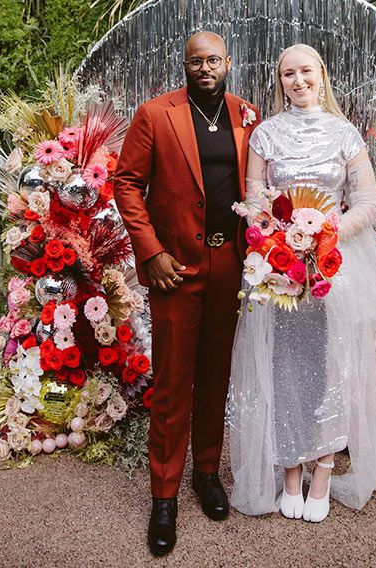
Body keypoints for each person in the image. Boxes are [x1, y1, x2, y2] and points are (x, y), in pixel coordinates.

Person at [228, 43, 376, 521]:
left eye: (306, 72)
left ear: (321, 75)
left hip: (335, 267)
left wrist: (325, 233)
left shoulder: (345, 135)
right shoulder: (264, 136)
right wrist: (282, 239)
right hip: (279, 267)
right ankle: (289, 470)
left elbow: (367, 200)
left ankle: (323, 466)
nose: (298, 81)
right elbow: (255, 200)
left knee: (333, 365)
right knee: (283, 365)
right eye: (287, 74)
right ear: (279, 81)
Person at [114, 32, 259, 556]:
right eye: (196, 61)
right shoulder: (155, 114)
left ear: (228, 62)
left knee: (215, 373)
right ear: (184, 64)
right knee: (174, 382)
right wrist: (150, 250)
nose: (205, 68)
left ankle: (206, 474)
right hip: (175, 267)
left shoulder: (248, 113)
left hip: (231, 264)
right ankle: (164, 495)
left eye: (213, 60)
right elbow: (126, 184)